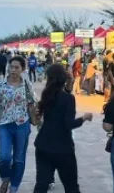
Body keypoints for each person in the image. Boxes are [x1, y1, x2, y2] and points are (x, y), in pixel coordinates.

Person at [33, 64, 92, 193]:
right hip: (63, 148)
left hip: (43, 145)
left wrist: (69, 82)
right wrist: (84, 117)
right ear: (63, 78)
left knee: (41, 185)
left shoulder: (46, 95)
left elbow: (60, 98)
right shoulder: (68, 99)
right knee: (71, 187)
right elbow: (69, 124)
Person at [0, 56, 37, 193]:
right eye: (11, 67)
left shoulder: (27, 85)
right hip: (5, 125)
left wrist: (37, 119)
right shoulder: (1, 85)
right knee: (4, 157)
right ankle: (5, 178)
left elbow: (33, 104)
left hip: (22, 125)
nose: (13, 70)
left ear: (22, 69)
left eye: (17, 67)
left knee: (19, 159)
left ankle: (14, 188)